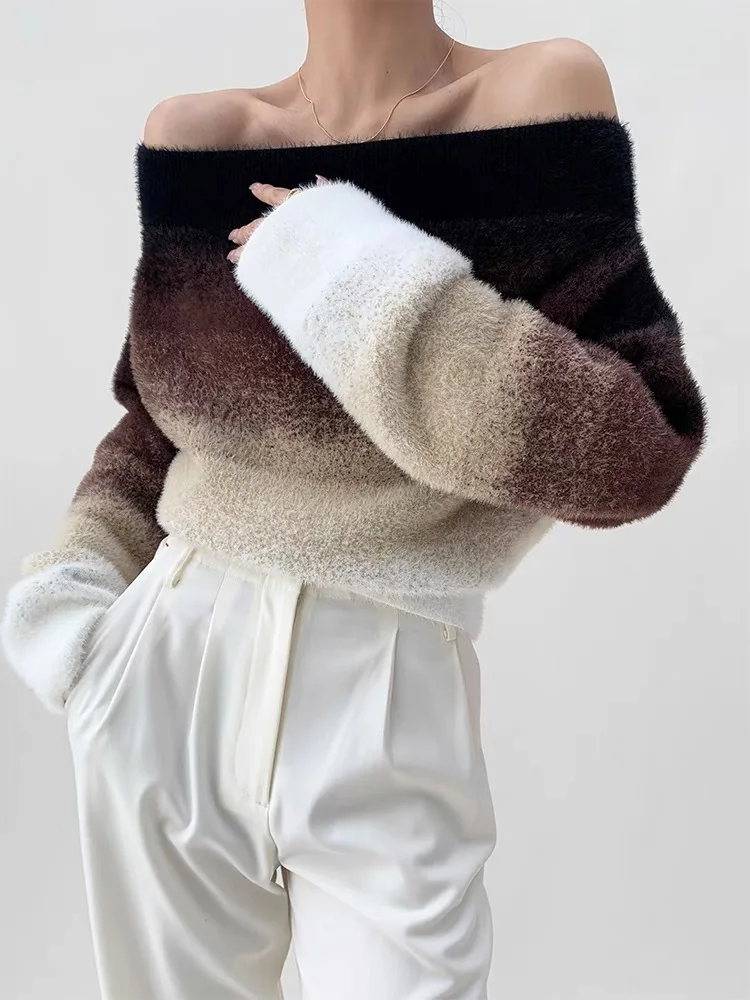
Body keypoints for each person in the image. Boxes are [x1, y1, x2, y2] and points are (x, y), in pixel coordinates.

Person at [1, 1, 706, 998]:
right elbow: (164, 423)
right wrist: (76, 583)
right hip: (165, 670)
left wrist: (356, 275)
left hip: (385, 674)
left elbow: (632, 451)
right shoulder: (197, 136)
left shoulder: (538, 96)